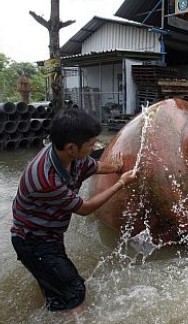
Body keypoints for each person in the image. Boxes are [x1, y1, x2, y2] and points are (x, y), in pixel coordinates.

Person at [11, 108, 138, 312]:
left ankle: (52, 302)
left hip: (49, 235)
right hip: (33, 241)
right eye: (91, 144)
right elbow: (84, 208)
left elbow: (92, 165)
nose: (95, 147)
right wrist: (121, 183)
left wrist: (116, 168)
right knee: (74, 293)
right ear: (71, 148)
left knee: (56, 287)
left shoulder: (70, 157)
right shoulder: (46, 178)